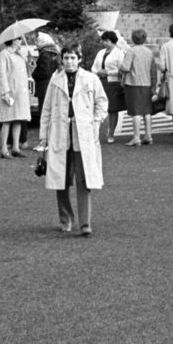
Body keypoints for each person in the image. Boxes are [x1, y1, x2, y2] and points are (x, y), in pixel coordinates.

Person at [37, 45, 107, 236]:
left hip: (83, 133)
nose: (69, 61)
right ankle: (65, 218)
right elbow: (47, 108)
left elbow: (102, 102)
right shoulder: (55, 79)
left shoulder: (91, 79)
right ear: (61, 59)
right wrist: (43, 136)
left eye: (73, 58)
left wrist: (96, 121)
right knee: (61, 179)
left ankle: (85, 223)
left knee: (83, 179)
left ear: (80, 59)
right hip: (60, 132)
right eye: (66, 58)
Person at [0, 37, 31, 158]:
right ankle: (4, 149)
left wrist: (30, 63)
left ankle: (15, 148)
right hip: (11, 93)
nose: (21, 40)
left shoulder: (20, 53)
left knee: (19, 119)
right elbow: (1, 74)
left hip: (21, 93)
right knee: (7, 120)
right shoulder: (4, 54)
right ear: (13, 40)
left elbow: (27, 73)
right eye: (19, 38)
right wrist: (5, 93)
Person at [119, 28, 156, 146]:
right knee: (147, 111)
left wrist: (120, 65)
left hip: (133, 83)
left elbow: (125, 67)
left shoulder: (131, 51)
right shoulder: (149, 52)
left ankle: (136, 138)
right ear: (145, 38)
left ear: (133, 38)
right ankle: (148, 136)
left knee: (136, 112)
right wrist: (154, 86)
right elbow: (154, 70)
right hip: (147, 83)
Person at [90, 30, 128, 144]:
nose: (104, 43)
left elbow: (121, 70)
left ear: (112, 41)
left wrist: (108, 72)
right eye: (103, 40)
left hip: (112, 83)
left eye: (106, 41)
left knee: (112, 109)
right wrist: (98, 72)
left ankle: (111, 133)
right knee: (97, 107)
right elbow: (93, 67)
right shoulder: (101, 52)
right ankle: (94, 133)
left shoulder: (119, 53)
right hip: (100, 82)